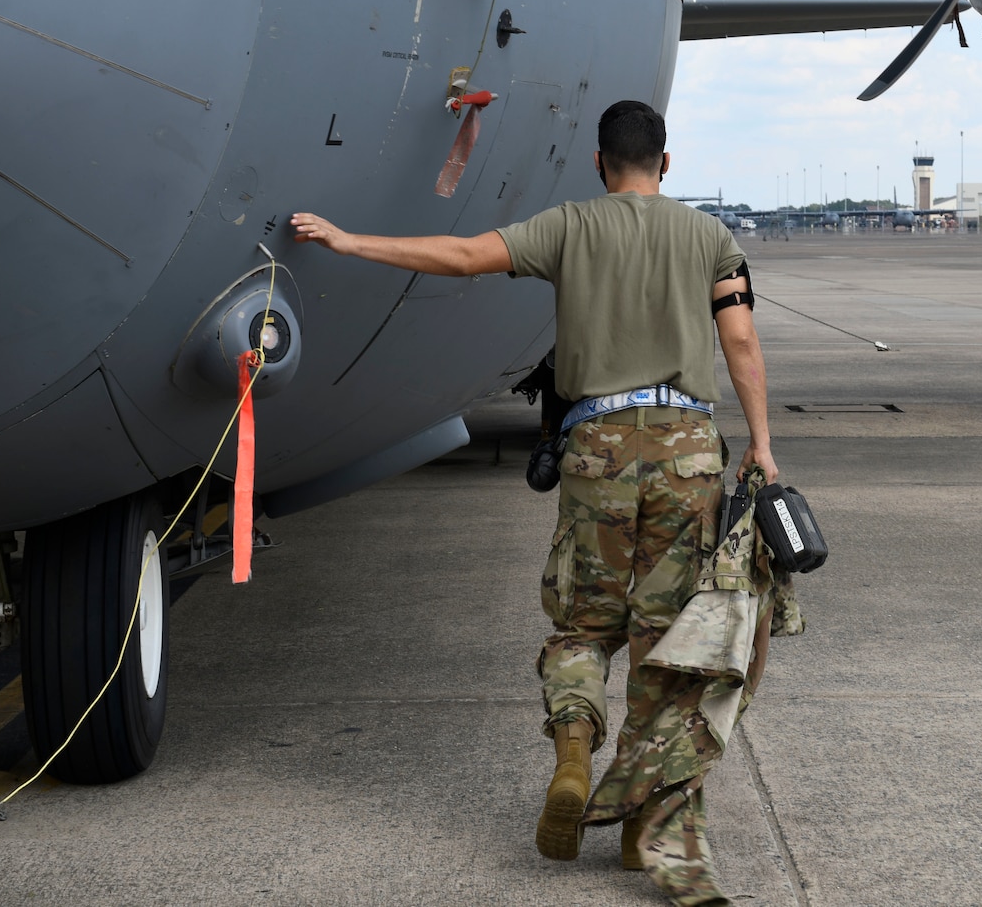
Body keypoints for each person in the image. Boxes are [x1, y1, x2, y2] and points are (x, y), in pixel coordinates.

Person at [291, 100, 776, 907]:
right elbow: (742, 340)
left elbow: (461, 254)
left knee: (585, 622)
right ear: (666, 162)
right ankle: (638, 818)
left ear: (597, 162)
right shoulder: (710, 239)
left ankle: (575, 751)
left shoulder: (568, 226)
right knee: (668, 636)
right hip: (689, 451)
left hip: (598, 447)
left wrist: (349, 240)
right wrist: (760, 442)